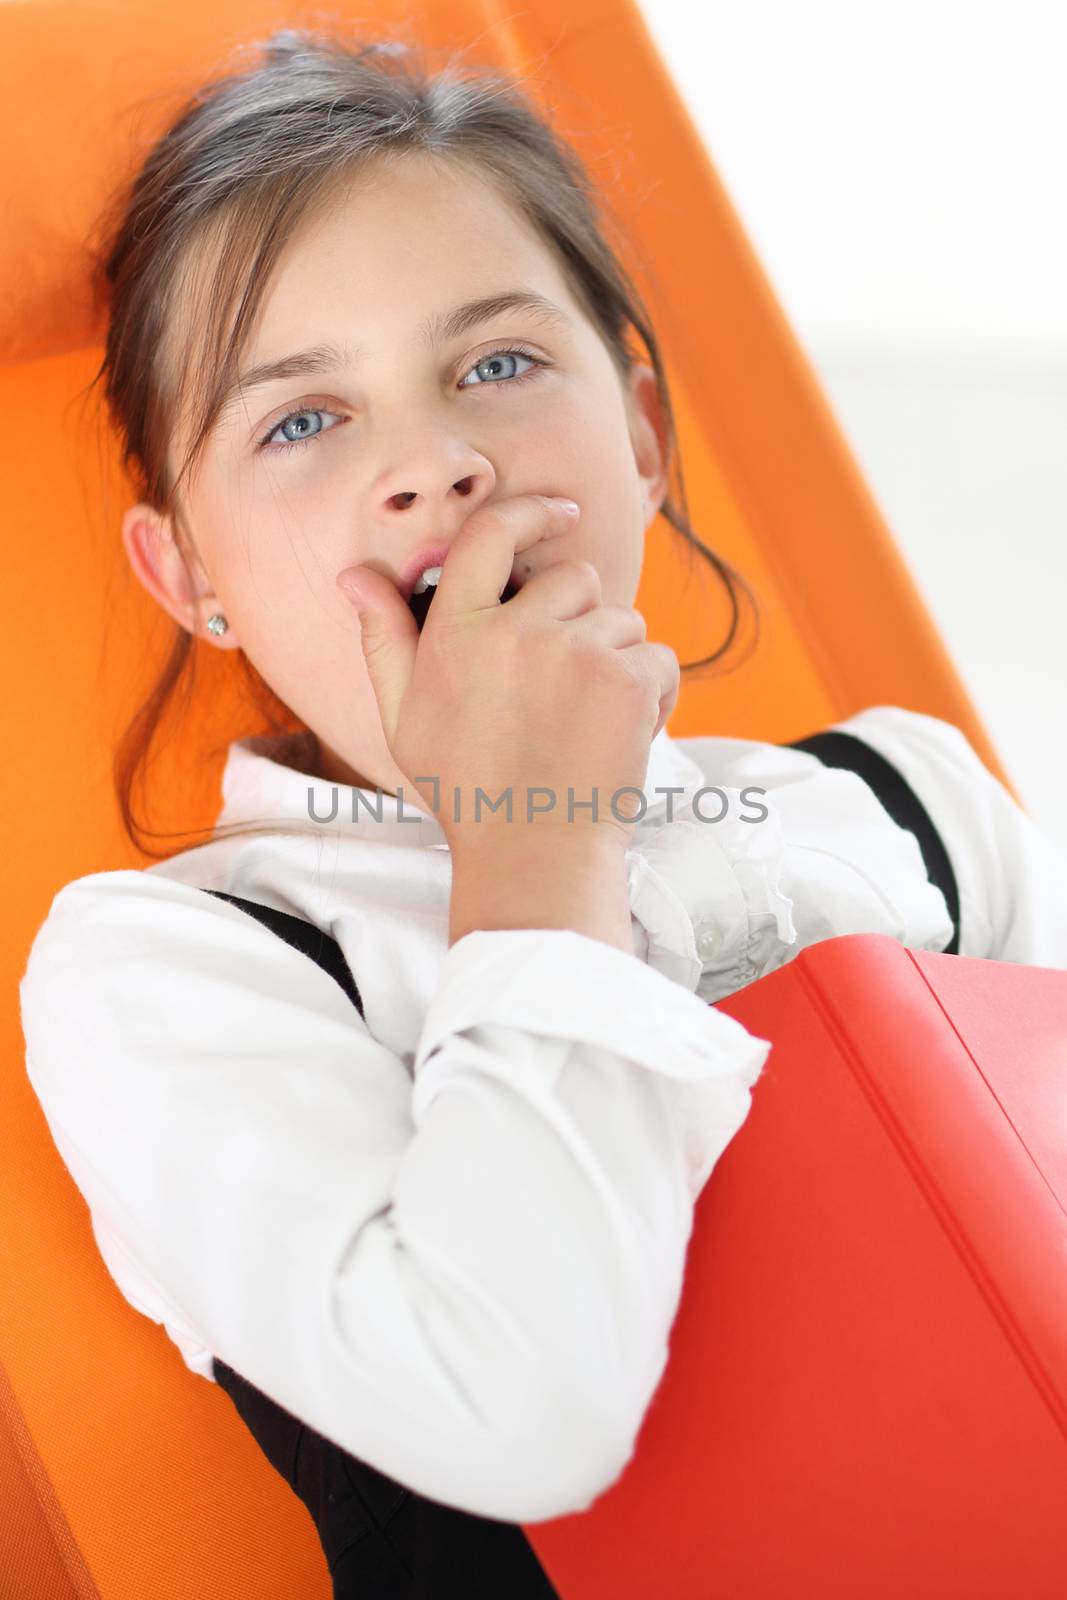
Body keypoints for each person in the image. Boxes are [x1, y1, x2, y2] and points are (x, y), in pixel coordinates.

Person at [18, 23, 1067, 1598]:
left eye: (496, 365)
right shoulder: (173, 968)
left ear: (643, 435)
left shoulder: (909, 804)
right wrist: (535, 831)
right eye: (302, 420)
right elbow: (526, 1415)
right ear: (195, 580)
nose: (434, 462)